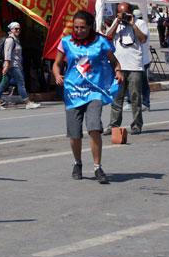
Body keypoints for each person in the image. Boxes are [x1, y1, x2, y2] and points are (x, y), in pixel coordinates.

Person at [52, 10, 123, 184]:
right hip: (73, 92)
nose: (78, 30)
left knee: (94, 127)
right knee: (75, 133)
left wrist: (119, 71)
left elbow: (114, 62)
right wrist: (57, 75)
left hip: (94, 91)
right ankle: (77, 163)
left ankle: (98, 167)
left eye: (82, 27)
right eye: (76, 27)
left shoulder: (101, 42)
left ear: (90, 26)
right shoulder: (66, 42)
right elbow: (56, 63)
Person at [104, 2, 147, 136]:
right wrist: (117, 22)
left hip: (135, 67)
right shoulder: (116, 24)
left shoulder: (140, 23)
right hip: (119, 67)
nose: (123, 16)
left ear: (131, 12)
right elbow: (108, 37)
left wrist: (132, 24)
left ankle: (136, 125)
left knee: (135, 98)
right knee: (117, 97)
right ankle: (113, 125)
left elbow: (143, 39)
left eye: (125, 13)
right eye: (120, 13)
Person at [0, 22, 41, 111]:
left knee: (4, 84)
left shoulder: (15, 40)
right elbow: (7, 53)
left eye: (19, 29)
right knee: (21, 83)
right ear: (11, 30)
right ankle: (28, 103)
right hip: (12, 66)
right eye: (15, 29)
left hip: (13, 66)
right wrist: (6, 66)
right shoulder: (10, 40)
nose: (18, 30)